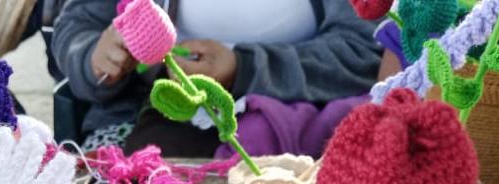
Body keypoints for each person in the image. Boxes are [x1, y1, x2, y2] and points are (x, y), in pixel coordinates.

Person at [52, 0, 382, 156]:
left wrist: (245, 67)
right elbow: (77, 28)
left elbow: (366, 52)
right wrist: (97, 57)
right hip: (144, 118)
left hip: (302, 129)